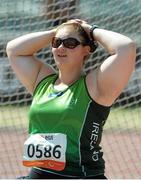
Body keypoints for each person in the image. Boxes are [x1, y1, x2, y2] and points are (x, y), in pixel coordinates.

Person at [6, 19, 136, 179]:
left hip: (80, 175)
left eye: (70, 43)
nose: (61, 47)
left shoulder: (95, 86)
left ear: (86, 50)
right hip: (40, 173)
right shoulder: (42, 80)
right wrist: (55, 32)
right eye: (57, 42)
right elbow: (13, 49)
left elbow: (126, 48)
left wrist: (90, 29)